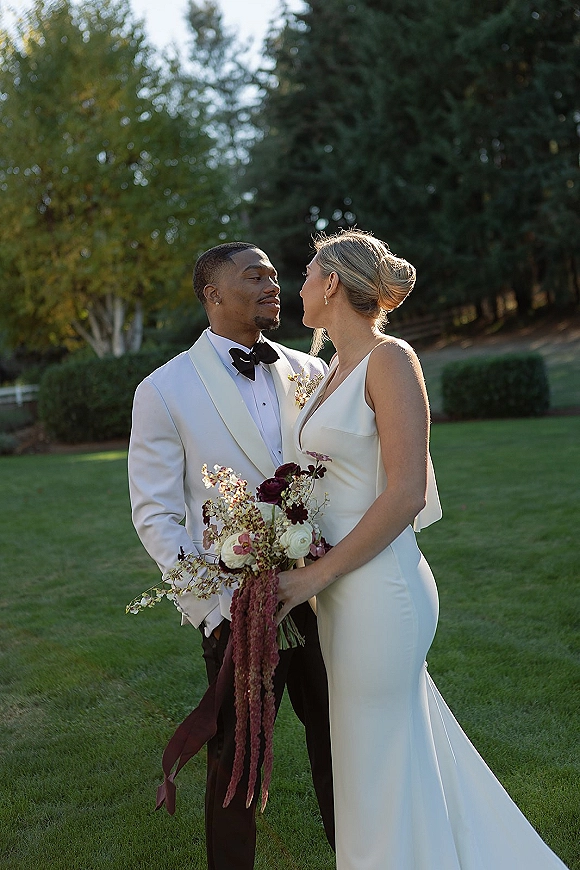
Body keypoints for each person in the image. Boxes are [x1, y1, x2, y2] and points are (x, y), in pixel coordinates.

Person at [276, 228, 569, 870]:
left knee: (378, 753)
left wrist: (314, 573)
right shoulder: (331, 371)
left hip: (380, 590)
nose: (297, 286)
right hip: (340, 596)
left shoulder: (390, 359)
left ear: (331, 284)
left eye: (305, 273)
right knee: (372, 752)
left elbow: (406, 492)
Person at [128, 241, 334, 870]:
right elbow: (156, 514)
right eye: (256, 276)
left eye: (276, 275)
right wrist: (213, 608)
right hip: (236, 609)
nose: (274, 285)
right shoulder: (163, 390)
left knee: (344, 748)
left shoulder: (313, 371)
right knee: (235, 762)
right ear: (213, 292)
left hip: (329, 596)